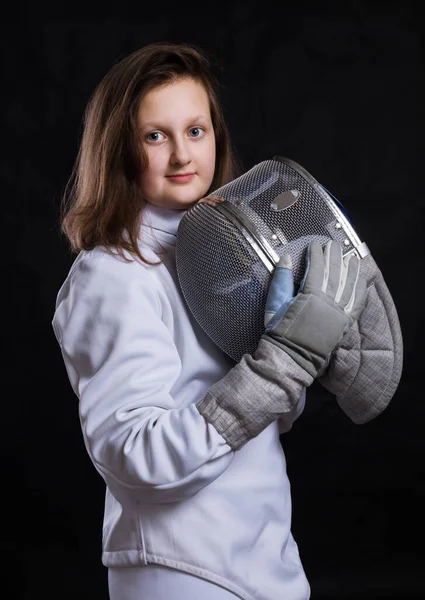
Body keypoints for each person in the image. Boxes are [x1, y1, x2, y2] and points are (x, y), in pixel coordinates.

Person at [52, 41, 366, 600]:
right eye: (155, 136)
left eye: (195, 131)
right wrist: (276, 365)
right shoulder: (114, 275)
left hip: (262, 555)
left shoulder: (225, 254)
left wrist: (288, 352)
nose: (181, 156)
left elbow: (263, 425)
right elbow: (135, 454)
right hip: (180, 572)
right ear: (119, 150)